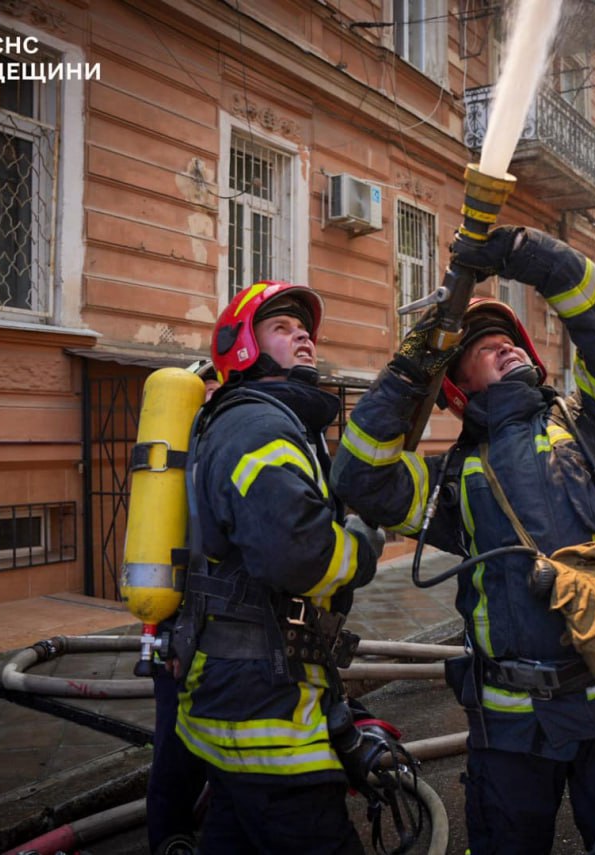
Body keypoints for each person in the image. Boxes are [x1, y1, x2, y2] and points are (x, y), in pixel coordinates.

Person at [331, 226, 595, 855]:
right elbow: (360, 473)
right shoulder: (450, 479)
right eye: (483, 346)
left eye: (509, 341)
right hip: (510, 729)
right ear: (458, 387)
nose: (505, 348)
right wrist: (414, 364)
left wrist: (522, 254)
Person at [173, 282, 386, 854]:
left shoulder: (274, 423)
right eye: (283, 328)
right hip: (264, 710)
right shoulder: (259, 428)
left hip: (239, 700)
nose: (304, 338)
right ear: (243, 346)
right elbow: (299, 555)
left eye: (306, 330)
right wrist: (364, 542)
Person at [145, 363, 218, 855]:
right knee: (177, 752)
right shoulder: (180, 471)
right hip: (178, 632)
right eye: (206, 396)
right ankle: (171, 841)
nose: (214, 404)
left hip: (223, 633)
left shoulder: (227, 454)